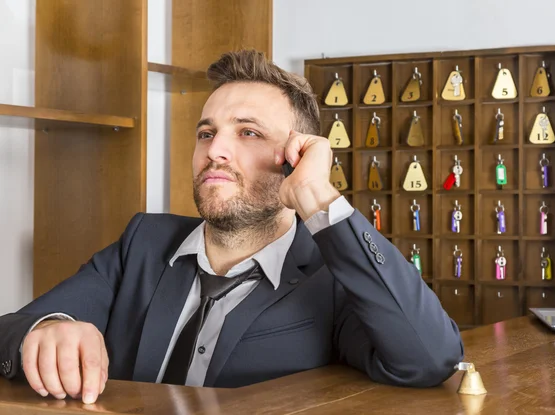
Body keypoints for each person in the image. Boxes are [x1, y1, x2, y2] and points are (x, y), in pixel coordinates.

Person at [0, 50, 464, 404]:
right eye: (206, 133)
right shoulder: (142, 241)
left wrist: (316, 197)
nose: (215, 149)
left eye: (248, 132)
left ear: (297, 156)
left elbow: (429, 356)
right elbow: (12, 328)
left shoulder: (335, 277)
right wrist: (48, 328)